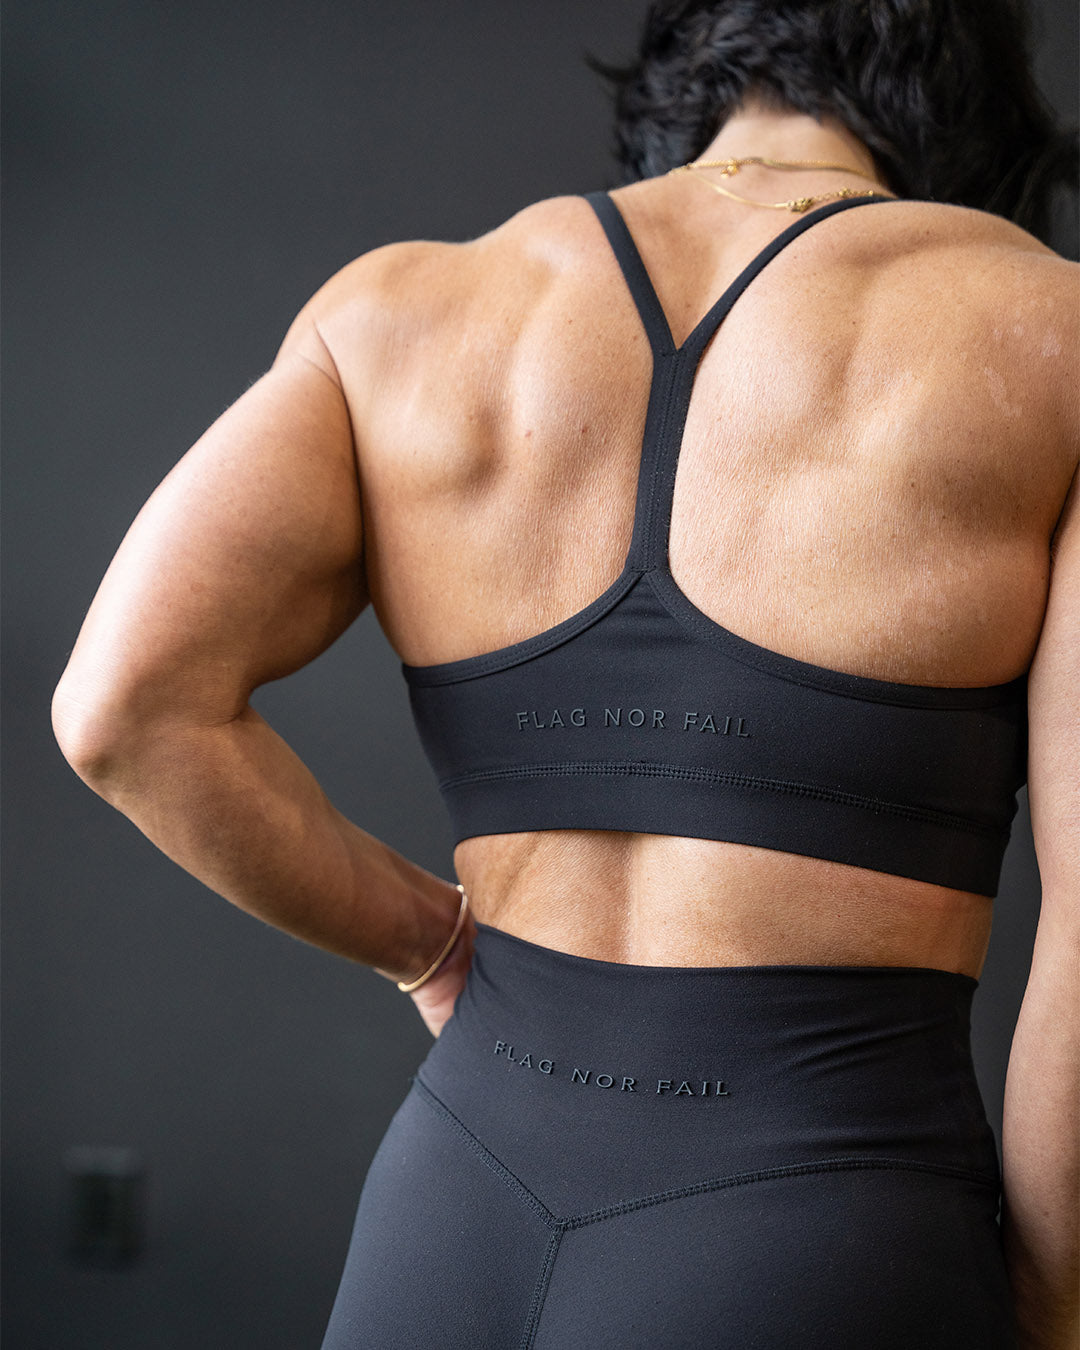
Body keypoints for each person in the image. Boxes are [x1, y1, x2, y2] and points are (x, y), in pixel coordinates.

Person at [52, 1, 1077, 1345]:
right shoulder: (1044, 332)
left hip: (451, 1208)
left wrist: (427, 944)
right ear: (973, 105)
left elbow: (120, 709)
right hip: (821, 1229)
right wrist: (1051, 1306)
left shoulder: (398, 311)